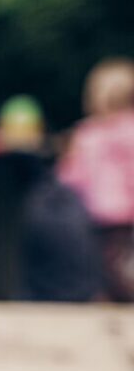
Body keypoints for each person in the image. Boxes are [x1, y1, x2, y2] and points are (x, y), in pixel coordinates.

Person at [58, 57, 134, 301]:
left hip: (98, 212)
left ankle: (112, 295)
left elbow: (71, 176)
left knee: (105, 261)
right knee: (120, 262)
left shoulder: (87, 134)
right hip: (127, 212)